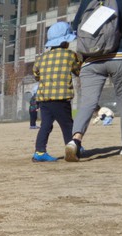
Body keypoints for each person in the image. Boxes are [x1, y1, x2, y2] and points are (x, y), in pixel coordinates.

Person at [65, 0, 122, 161]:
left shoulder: (88, 1)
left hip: (91, 60)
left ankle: (75, 140)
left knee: (87, 103)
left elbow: (77, 26)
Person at [31, 22, 81, 162]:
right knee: (67, 125)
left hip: (44, 98)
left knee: (45, 125)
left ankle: (39, 152)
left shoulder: (41, 58)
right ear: (66, 42)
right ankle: (73, 148)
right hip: (61, 97)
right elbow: (78, 71)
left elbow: (36, 74)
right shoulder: (70, 55)